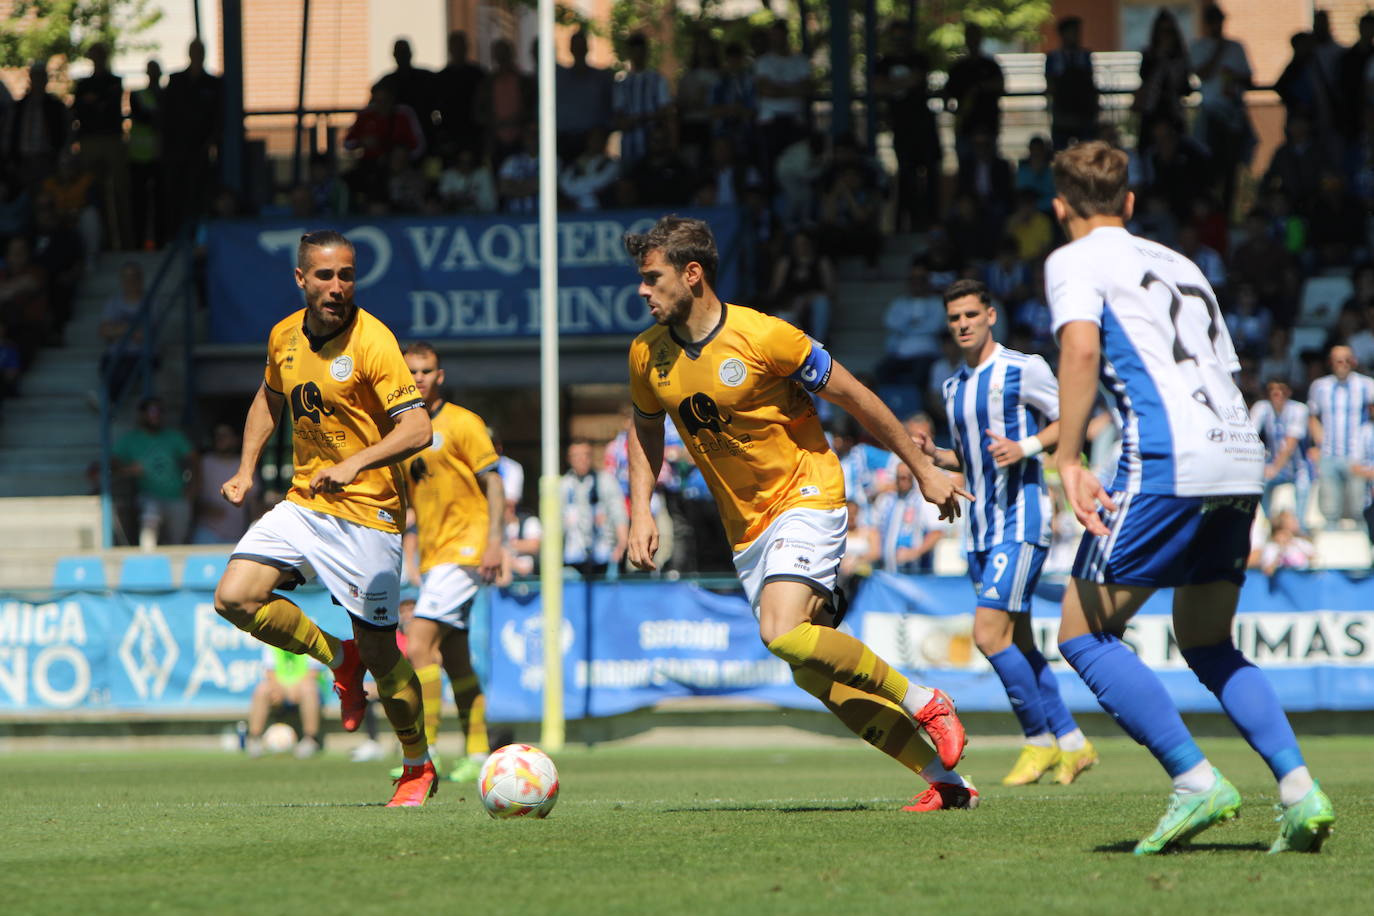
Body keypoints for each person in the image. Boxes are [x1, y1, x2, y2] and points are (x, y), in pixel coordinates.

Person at [623, 215, 979, 811]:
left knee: (782, 632)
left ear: (692, 274)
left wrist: (923, 469)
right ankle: (946, 783)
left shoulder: (766, 338)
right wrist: (641, 509)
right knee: (812, 671)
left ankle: (924, 699)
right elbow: (643, 428)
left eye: (652, 277)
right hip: (747, 529)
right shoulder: (646, 355)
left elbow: (858, 398)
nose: (642, 290)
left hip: (806, 491)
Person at [1046, 140, 1333, 854]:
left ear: (1060, 209)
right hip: (1240, 454)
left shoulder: (1073, 260)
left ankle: (1194, 780)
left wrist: (1068, 456)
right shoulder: (1181, 264)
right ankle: (1300, 791)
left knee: (1081, 634)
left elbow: (1080, 350)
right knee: (1206, 638)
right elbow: (1219, 367)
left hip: (1171, 457)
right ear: (1131, 203)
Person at [211, 230, 438, 807]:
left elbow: (417, 429)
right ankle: (340, 657)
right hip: (306, 502)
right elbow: (269, 398)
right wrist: (245, 470)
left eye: (346, 276)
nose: (337, 287)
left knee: (386, 655)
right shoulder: (284, 335)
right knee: (234, 597)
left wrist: (355, 463)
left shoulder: (374, 342)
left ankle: (417, 765)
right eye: (325, 276)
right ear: (301, 279)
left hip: (369, 513)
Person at [917, 278, 1095, 787]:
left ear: (991, 316)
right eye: (954, 318)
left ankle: (1037, 742)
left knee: (987, 634)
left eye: (971, 314)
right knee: (1018, 641)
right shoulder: (952, 387)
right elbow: (972, 459)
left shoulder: (1023, 369)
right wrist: (935, 458)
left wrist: (1028, 447)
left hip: (1022, 519)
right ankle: (1074, 743)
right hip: (979, 529)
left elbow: (1073, 416)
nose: (963, 324)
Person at [395, 342, 502, 784]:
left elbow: (492, 482)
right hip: (437, 554)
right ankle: (478, 752)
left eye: (426, 371)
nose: (418, 378)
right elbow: (408, 500)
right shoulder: (402, 431)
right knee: (455, 659)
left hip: (466, 549)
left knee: (418, 647)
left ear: (440, 376)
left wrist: (496, 542)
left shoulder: (462, 422)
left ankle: (428, 752)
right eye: (411, 371)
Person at [113, 397, 195, 549]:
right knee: (149, 518)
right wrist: (127, 469)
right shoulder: (131, 440)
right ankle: (147, 561)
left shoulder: (174, 437)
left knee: (178, 541)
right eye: (151, 411)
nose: (156, 415)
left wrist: (193, 487)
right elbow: (113, 463)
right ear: (142, 415)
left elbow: (193, 460)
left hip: (177, 495)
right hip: (148, 494)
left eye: (159, 411)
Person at [1307, 345, 1374, 529]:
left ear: (1353, 362)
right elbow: (1313, 417)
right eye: (1338, 360)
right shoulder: (1320, 386)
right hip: (1329, 453)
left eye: (1346, 360)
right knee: (1330, 509)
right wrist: (1319, 444)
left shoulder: (1366, 385)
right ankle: (1331, 553)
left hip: (1356, 455)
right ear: (1331, 363)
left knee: (1359, 507)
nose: (1342, 364)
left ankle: (1363, 551)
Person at [561, 439, 627, 578]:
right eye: (577, 456)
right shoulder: (563, 486)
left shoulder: (606, 481)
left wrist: (621, 544)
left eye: (586, 455)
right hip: (573, 558)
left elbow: (618, 514)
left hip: (604, 556)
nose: (582, 459)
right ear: (569, 459)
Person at [1250, 378, 1312, 527]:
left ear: (1289, 392)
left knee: (1304, 486)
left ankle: (1299, 526)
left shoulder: (1299, 409)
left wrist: (1274, 468)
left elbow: (1290, 444)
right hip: (1272, 464)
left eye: (1282, 391)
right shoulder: (1262, 408)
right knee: (1259, 483)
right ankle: (1266, 524)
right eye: (1273, 391)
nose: (1278, 395)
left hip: (1296, 466)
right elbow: (1250, 435)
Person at [245, 646, 323, 759]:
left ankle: (310, 739)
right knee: (262, 690)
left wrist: (294, 689)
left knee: (309, 689)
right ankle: (254, 739)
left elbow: (313, 673)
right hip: (280, 687)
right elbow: (270, 672)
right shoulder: (271, 641)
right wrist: (279, 689)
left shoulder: (311, 640)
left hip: (302, 686)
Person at [943, 23, 1004, 164]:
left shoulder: (990, 65)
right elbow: (947, 93)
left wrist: (979, 87)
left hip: (988, 123)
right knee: (966, 167)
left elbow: (1000, 85)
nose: (973, 41)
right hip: (966, 125)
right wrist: (955, 110)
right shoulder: (958, 68)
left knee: (990, 165)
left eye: (975, 37)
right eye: (970, 37)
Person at [1044, 16, 1098, 150]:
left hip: (1084, 113)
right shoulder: (1053, 58)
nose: (1075, 36)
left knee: (1087, 150)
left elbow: (1090, 81)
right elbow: (1050, 83)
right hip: (1063, 112)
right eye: (1071, 32)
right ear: (1063, 34)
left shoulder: (1085, 55)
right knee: (1060, 151)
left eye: (1077, 32)